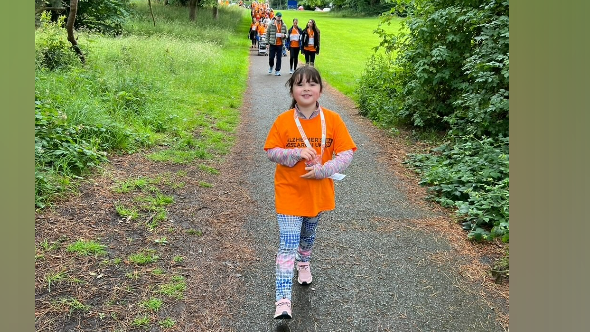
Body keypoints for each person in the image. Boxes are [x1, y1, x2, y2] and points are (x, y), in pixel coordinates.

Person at [263, 66, 357, 319]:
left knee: (308, 235)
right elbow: (271, 151)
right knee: (288, 244)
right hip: (289, 192)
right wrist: (294, 153)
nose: (306, 88)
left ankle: (304, 262)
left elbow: (347, 152)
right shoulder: (283, 121)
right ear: (292, 90)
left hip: (317, 192)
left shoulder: (333, 120)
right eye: (300, 84)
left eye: (312, 84)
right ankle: (283, 301)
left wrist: (325, 170)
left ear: (320, 90)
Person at [265, 12, 288, 76]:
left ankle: (277, 70)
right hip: (272, 43)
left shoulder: (284, 25)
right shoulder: (271, 24)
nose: (279, 18)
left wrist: (285, 35)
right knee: (271, 57)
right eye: (278, 16)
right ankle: (271, 66)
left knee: (279, 58)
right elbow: (267, 34)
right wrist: (267, 43)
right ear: (275, 17)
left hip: (280, 44)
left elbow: (287, 34)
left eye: (280, 16)